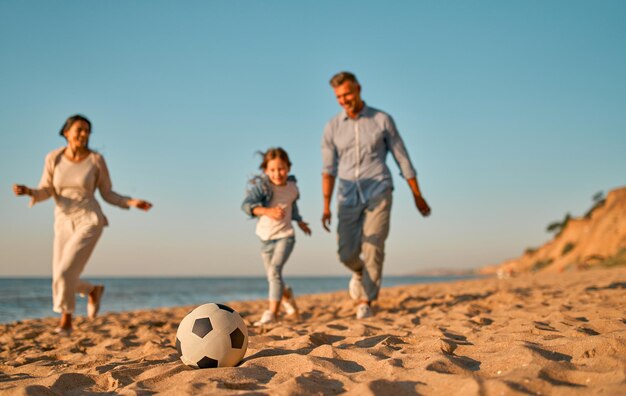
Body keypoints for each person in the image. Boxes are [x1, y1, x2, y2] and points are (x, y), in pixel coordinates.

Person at [13, 114, 152, 335]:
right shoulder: (54, 158)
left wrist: (131, 202)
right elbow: (47, 189)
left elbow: (107, 193)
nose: (84, 134)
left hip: (89, 219)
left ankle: (66, 321)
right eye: (79, 129)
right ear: (66, 132)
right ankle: (92, 290)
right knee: (61, 275)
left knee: (65, 272)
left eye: (87, 130)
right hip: (63, 221)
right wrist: (30, 191)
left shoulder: (96, 160)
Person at [321, 71, 431, 319]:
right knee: (346, 253)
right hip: (347, 196)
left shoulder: (382, 120)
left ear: (359, 88)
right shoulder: (332, 128)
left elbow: (402, 158)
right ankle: (359, 272)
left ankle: (365, 301)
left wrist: (417, 194)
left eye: (347, 93)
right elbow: (328, 170)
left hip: (379, 190)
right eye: (339, 96)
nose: (344, 99)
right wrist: (326, 206)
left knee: (374, 244)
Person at [242, 148, 311, 325]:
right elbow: (246, 205)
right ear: (266, 170)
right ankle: (287, 295)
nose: (277, 173)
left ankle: (272, 314)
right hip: (265, 238)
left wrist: (300, 221)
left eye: (281, 169)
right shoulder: (263, 187)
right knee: (274, 276)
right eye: (272, 170)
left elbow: (292, 207)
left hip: (286, 236)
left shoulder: (293, 187)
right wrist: (267, 211)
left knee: (274, 272)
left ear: (288, 167)